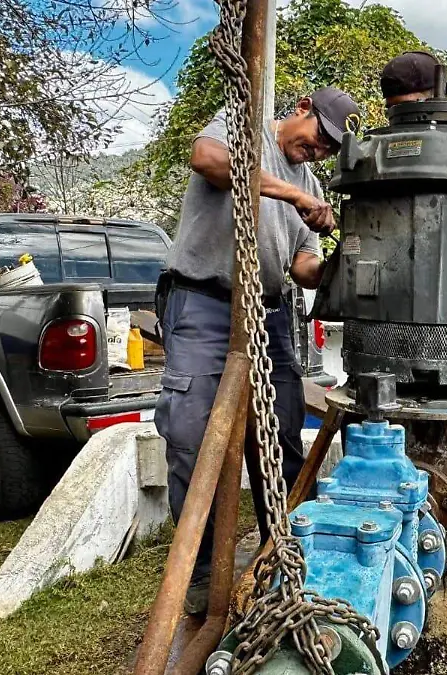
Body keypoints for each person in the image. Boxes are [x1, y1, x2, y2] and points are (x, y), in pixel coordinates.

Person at [154, 86, 360, 615]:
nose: (317, 153)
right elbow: (206, 159)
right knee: (193, 439)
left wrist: (343, 253)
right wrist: (292, 197)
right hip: (204, 303)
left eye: (327, 151)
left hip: (268, 312)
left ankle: (283, 558)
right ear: (301, 111)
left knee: (282, 437)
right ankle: (201, 574)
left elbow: (302, 269)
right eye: (318, 139)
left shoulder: (310, 181)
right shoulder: (244, 127)